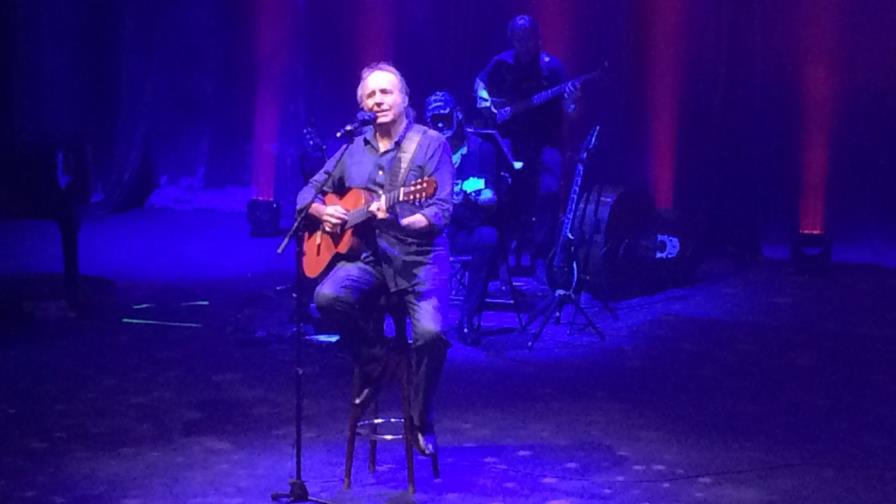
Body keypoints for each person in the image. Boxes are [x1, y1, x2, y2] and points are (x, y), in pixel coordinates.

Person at [294, 62, 454, 456]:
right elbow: (304, 197)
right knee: (327, 298)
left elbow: (440, 210)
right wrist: (322, 213)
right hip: (368, 258)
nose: (378, 100)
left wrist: (401, 218)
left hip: (419, 259)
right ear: (362, 104)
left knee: (432, 336)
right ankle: (375, 359)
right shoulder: (353, 148)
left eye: (386, 93)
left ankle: (422, 416)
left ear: (404, 99)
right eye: (370, 95)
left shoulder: (430, 143)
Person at [473, 14, 580, 278]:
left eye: (529, 39)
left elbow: (571, 111)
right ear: (513, 40)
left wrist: (572, 101)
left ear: (538, 39)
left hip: (546, 141)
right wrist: (484, 100)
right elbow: (479, 84)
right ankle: (502, 256)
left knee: (548, 193)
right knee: (504, 195)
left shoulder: (552, 68)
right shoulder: (501, 63)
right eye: (519, 40)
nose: (525, 45)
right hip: (509, 141)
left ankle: (541, 253)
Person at [424, 91, 501, 346]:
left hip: (467, 229)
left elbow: (491, 197)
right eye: (435, 121)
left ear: (458, 115)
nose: (441, 126)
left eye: (445, 118)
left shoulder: (481, 150)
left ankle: (468, 316)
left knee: (489, 238)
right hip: (433, 231)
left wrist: (470, 198)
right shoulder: (425, 153)